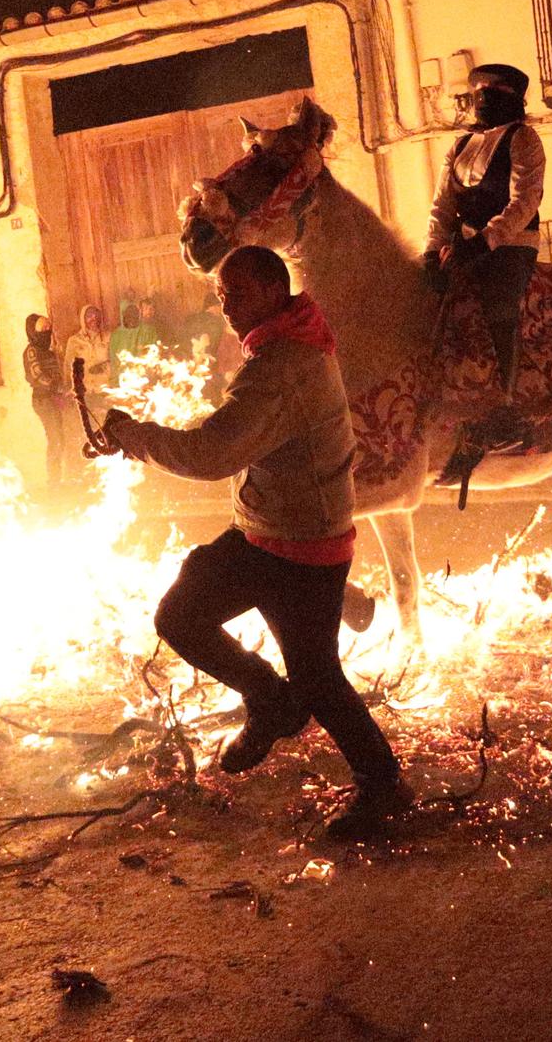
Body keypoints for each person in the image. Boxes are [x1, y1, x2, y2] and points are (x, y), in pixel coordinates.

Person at [101, 246, 408, 840]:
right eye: (221, 296)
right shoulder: (283, 348)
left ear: (273, 289)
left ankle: (384, 785)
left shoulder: (283, 367)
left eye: (237, 294)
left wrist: (134, 437)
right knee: (181, 614)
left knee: (317, 676)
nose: (228, 307)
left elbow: (214, 453)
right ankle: (271, 700)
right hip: (267, 532)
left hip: (301, 547)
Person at [423, 62, 546, 485]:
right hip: (464, 246)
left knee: (498, 309)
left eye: (492, 96)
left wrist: (485, 242)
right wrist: (430, 251)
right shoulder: (458, 145)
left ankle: (505, 412)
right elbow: (441, 206)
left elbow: (524, 201)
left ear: (512, 100)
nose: (483, 102)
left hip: (511, 246)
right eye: (479, 94)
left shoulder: (523, 138)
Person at [22, 313, 69, 486]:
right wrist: (55, 387)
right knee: (55, 437)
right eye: (43, 330)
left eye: (49, 329)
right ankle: (54, 481)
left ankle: (61, 477)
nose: (47, 333)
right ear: (33, 332)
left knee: (62, 437)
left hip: (57, 399)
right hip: (44, 401)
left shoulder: (50, 353)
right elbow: (36, 375)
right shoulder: (31, 352)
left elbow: (60, 373)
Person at [62, 304, 110, 386]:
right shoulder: (74, 341)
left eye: (96, 315)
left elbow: (116, 361)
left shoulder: (108, 337)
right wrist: (68, 387)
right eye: (89, 316)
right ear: (83, 319)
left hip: (104, 388)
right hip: (84, 390)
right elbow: (68, 367)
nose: (94, 319)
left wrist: (103, 367)